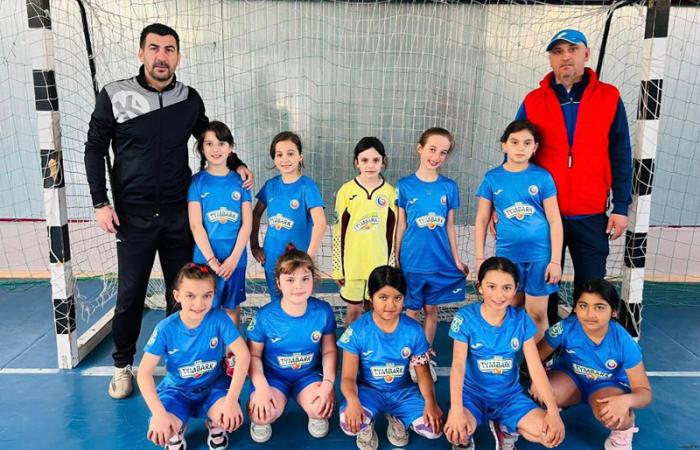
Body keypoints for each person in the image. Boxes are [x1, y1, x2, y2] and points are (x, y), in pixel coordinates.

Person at [83, 23, 253, 399]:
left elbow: (210, 139)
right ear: (141, 53)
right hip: (133, 216)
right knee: (131, 293)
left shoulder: (188, 98)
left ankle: (182, 363)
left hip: (179, 214)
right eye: (154, 48)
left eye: (169, 49)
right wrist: (100, 202)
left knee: (182, 294)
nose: (162, 56)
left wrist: (237, 162)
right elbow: (94, 148)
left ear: (178, 56)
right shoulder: (115, 94)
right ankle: (123, 365)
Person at [512, 28, 632, 325]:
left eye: (572, 49)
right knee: (544, 292)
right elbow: (516, 153)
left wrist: (620, 207)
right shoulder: (533, 101)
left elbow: (620, 153)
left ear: (586, 54)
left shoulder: (609, 97)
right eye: (558, 51)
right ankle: (546, 348)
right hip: (542, 215)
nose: (565, 56)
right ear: (550, 59)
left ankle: (583, 348)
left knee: (591, 291)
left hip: (590, 214)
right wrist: (505, 204)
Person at [444, 257, 565, 450]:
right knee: (456, 433)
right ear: (480, 287)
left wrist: (553, 411)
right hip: (472, 396)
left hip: (508, 397)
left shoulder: (520, 319)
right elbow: (457, 366)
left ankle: (505, 429)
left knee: (549, 435)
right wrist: (457, 410)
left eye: (506, 288)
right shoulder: (465, 318)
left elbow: (535, 367)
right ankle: (466, 437)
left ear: (516, 289)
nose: (499, 295)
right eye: (491, 286)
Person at [136, 263, 250, 450]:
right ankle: (177, 427)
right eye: (190, 296)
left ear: (214, 295)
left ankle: (215, 422)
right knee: (164, 429)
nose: (199, 304)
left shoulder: (219, 319)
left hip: (213, 387)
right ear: (177, 296)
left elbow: (243, 355)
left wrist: (231, 401)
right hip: (177, 391)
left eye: (207, 296)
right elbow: (143, 373)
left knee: (229, 418)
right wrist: (158, 414)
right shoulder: (166, 329)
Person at [533, 279, 652, 450]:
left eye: (599, 307)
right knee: (542, 394)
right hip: (571, 377)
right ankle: (562, 401)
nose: (590, 314)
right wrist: (538, 380)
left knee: (614, 415)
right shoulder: (565, 327)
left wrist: (625, 401)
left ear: (614, 312)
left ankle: (623, 432)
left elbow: (645, 393)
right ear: (575, 308)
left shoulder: (623, 342)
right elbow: (535, 357)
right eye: (583, 306)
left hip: (607, 385)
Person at [475, 120, 563, 342]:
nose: (520, 148)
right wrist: (480, 257)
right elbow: (482, 219)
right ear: (504, 145)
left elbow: (554, 220)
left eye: (527, 143)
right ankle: (507, 356)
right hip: (508, 257)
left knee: (537, 313)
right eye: (514, 142)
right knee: (510, 308)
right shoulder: (492, 178)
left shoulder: (542, 177)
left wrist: (555, 261)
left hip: (539, 257)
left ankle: (540, 359)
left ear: (535, 147)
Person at [338, 265, 443, 450]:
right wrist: (353, 402)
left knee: (433, 429)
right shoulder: (357, 331)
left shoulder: (414, 331)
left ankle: (397, 417)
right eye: (383, 297)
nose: (390, 305)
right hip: (369, 391)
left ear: (404, 298)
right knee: (349, 424)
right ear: (371, 297)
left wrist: (431, 402)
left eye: (397, 298)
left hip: (402, 392)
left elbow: (423, 373)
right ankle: (367, 424)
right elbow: (347, 377)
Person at [395, 127, 468, 381]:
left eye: (443, 152)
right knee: (411, 312)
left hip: (438, 261)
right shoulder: (404, 185)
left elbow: (450, 226)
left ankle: (423, 358)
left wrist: (456, 259)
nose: (436, 156)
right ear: (420, 148)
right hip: (412, 261)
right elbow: (401, 224)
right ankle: (409, 356)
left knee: (432, 310)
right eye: (432, 149)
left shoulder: (449, 187)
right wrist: (396, 258)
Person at [246, 247, 337, 443]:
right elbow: (253, 356)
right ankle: (262, 418)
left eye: (305, 279)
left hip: (308, 375)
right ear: (278, 283)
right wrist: (261, 387)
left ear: (313, 280)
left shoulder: (323, 311)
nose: (298, 286)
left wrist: (327, 384)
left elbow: (329, 350)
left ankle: (314, 414)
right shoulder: (264, 316)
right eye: (290, 280)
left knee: (322, 408)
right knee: (261, 413)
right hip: (274, 377)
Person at [188, 121, 252, 326]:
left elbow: (247, 225)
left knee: (231, 308)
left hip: (235, 259)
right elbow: (196, 226)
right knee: (205, 308)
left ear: (230, 148)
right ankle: (209, 346)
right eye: (209, 144)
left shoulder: (241, 182)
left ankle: (233, 347)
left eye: (221, 143)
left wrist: (233, 259)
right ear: (201, 148)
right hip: (205, 259)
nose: (215, 149)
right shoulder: (196, 182)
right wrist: (212, 261)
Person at [250, 132, 326, 302]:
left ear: (300, 156)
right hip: (271, 258)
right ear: (274, 159)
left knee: (298, 302)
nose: (285, 159)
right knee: (277, 303)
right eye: (279, 155)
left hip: (298, 260)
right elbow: (255, 214)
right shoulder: (270, 186)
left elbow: (320, 225)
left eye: (290, 153)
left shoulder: (308, 187)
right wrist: (254, 245)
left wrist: (307, 259)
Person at [332, 137, 397, 326]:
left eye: (375, 160)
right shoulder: (346, 191)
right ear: (356, 162)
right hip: (353, 265)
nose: (370, 165)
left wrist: (391, 265)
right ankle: (350, 345)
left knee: (376, 310)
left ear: (383, 162)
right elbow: (338, 232)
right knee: (353, 311)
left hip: (379, 265)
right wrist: (338, 268)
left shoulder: (390, 193)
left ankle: (373, 344)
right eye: (364, 160)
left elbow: (393, 232)